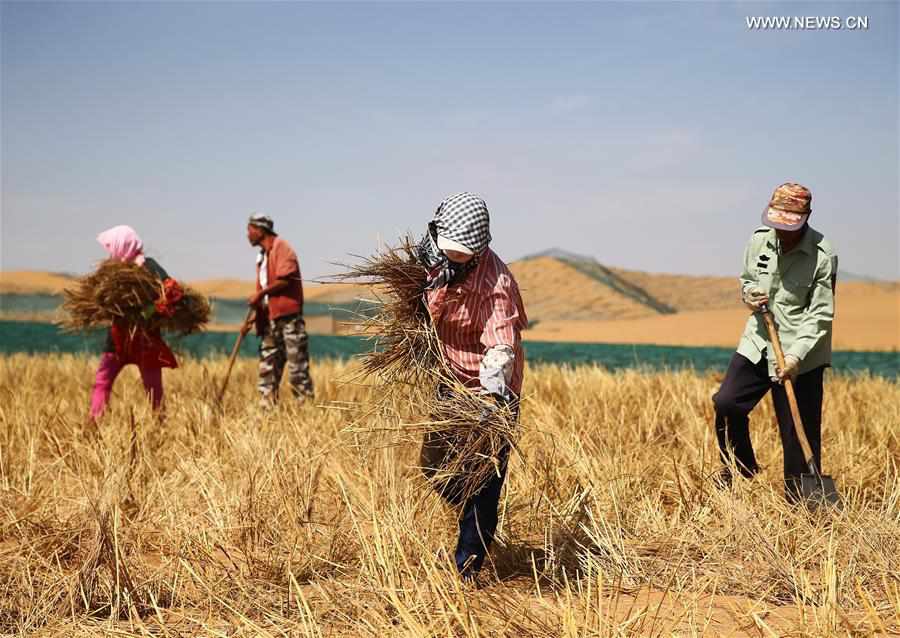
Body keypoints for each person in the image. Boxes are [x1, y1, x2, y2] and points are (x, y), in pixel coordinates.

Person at [416, 192, 528, 579]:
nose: (455, 256)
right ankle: (473, 517)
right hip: (450, 378)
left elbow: (501, 343)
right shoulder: (432, 258)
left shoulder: (496, 282)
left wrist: (492, 398)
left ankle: (468, 564)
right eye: (451, 250)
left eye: (463, 252)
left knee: (485, 479)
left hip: (489, 391)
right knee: (433, 467)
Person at [712, 183, 838, 502]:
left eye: (788, 225)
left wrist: (794, 358)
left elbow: (820, 314)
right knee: (727, 402)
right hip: (759, 339)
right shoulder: (759, 241)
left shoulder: (823, 255)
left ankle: (802, 504)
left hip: (803, 353)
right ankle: (740, 467)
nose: (781, 232)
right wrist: (750, 296)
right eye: (777, 224)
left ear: (805, 218)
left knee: (798, 434)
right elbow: (748, 280)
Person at [89, 225, 176, 421]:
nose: (110, 251)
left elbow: (172, 291)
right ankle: (94, 424)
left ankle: (159, 427)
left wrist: (149, 311)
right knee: (105, 382)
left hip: (142, 340)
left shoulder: (147, 267)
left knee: (149, 388)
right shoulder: (114, 271)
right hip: (119, 339)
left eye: (112, 246)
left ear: (122, 245)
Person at [246, 214, 314, 405]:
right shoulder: (261, 257)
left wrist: (260, 295)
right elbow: (265, 291)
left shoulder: (282, 248)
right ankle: (267, 411)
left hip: (289, 319)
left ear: (260, 230)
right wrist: (257, 311)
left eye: (249, 230)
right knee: (267, 368)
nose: (247, 234)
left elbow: (285, 279)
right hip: (270, 320)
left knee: (297, 369)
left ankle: (306, 409)